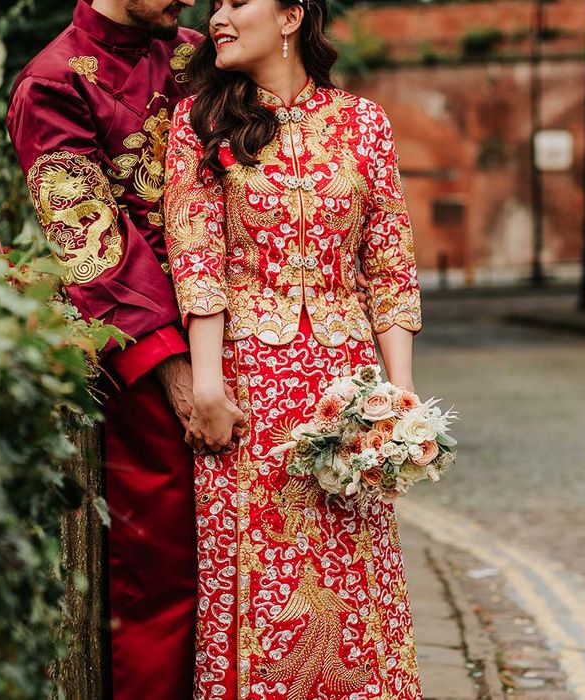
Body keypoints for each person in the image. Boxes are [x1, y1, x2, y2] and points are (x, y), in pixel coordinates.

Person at [163, 0, 424, 696]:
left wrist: (396, 401)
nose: (217, 15)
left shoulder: (364, 122)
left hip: (346, 393)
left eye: (235, 2)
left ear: (290, 17)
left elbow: (389, 264)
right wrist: (209, 385)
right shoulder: (199, 125)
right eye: (212, 4)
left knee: (354, 576)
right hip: (251, 391)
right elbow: (198, 261)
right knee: (257, 587)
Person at [6, 1, 203, 697]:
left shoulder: (203, 53)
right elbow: (91, 249)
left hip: (249, 340)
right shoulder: (53, 84)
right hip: (151, 366)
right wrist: (179, 373)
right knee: (168, 579)